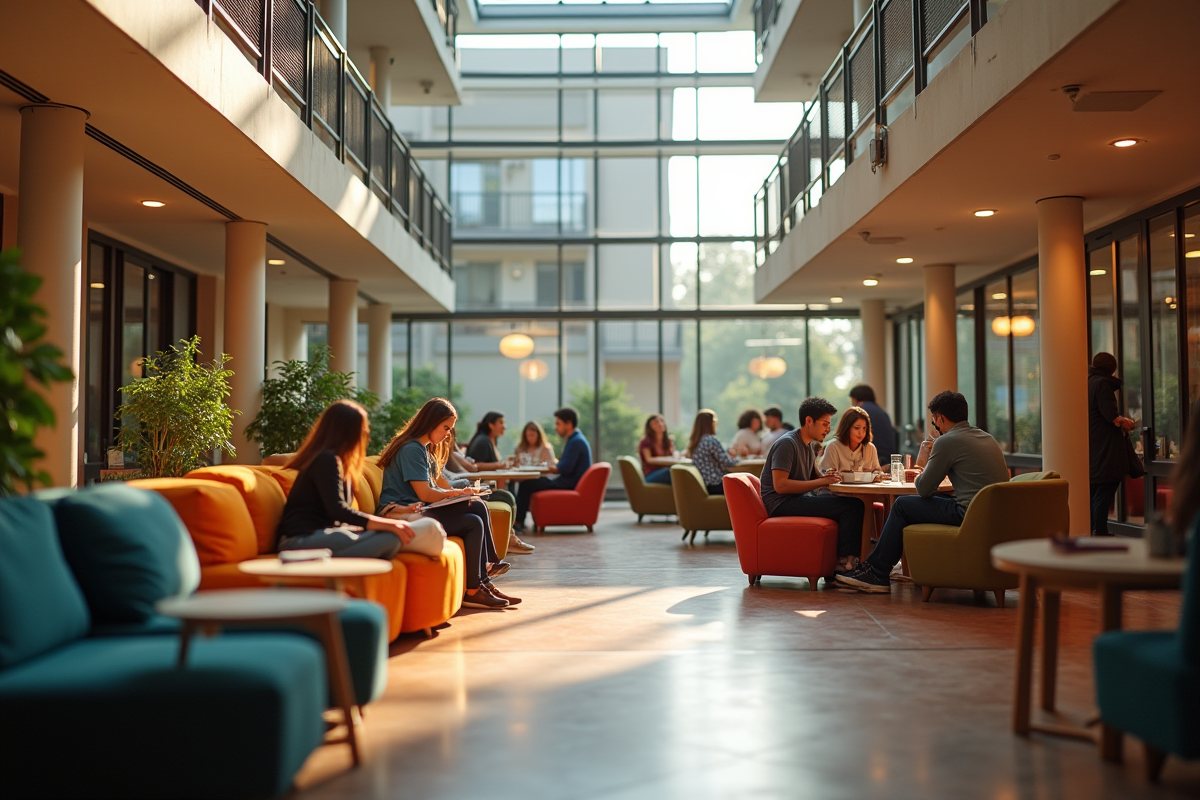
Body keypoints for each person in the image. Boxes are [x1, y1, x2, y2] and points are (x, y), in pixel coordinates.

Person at [837, 391, 1009, 593]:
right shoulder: (987, 438)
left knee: (902, 504)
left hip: (968, 514)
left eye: (935, 420)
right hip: (994, 516)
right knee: (923, 501)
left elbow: (923, 489)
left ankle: (877, 572)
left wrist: (925, 459)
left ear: (940, 418)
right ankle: (890, 567)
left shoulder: (948, 441)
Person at [378, 398, 518, 609]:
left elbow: (432, 490)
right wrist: (458, 493)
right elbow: (425, 493)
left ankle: (481, 583)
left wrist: (460, 493)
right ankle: (481, 580)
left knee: (475, 511)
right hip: (404, 515)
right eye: (445, 428)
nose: (447, 435)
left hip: (419, 510)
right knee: (474, 516)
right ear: (431, 422)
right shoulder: (412, 449)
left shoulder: (423, 449)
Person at [277, 399, 438, 559]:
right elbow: (338, 511)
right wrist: (391, 525)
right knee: (391, 538)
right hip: (298, 542)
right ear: (347, 432)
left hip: (324, 535)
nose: (367, 439)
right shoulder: (325, 460)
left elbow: (335, 519)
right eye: (364, 432)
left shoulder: (338, 464)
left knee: (398, 535)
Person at [760, 397, 866, 575]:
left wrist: (829, 477)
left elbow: (815, 475)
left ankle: (849, 560)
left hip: (795, 500)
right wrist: (823, 481)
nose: (828, 429)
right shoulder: (787, 443)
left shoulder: (807, 446)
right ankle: (844, 564)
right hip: (781, 503)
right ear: (809, 421)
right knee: (853, 507)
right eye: (824, 424)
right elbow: (780, 486)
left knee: (849, 501)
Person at [445, 428, 534, 555]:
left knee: (506, 495)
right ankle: (504, 543)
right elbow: (466, 470)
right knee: (504, 497)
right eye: (446, 428)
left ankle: (508, 539)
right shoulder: (447, 452)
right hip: (463, 489)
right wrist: (473, 483)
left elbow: (465, 470)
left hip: (466, 485)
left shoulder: (451, 451)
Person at [512, 408, 592, 534]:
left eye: (558, 423)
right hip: (568, 481)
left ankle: (518, 522)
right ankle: (519, 521)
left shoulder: (575, 442)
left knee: (527, 484)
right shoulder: (576, 439)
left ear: (569, 424)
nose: (556, 427)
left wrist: (551, 468)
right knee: (530, 483)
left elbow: (564, 468)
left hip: (568, 483)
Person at [1088, 352, 1138, 536]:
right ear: (1112, 370)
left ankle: (1094, 529)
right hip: (1107, 450)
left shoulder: (1087, 382)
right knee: (1104, 490)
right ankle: (1100, 531)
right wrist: (1125, 421)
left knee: (1096, 492)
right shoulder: (1102, 385)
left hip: (1095, 450)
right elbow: (1110, 415)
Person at [685, 409, 737, 495]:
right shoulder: (710, 440)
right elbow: (728, 462)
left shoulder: (695, 442)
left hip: (706, 485)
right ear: (710, 423)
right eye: (715, 422)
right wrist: (737, 458)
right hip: (717, 484)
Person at [819, 406, 881, 474]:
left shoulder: (870, 448)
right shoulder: (833, 447)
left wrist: (875, 473)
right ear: (847, 428)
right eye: (857, 428)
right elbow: (826, 477)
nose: (861, 433)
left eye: (864, 428)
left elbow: (878, 473)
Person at [849, 384, 896, 463]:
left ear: (854, 399)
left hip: (877, 457)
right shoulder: (880, 411)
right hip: (888, 457)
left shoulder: (861, 412)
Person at [638, 414, 675, 485]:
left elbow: (673, 455)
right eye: (655, 423)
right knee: (670, 473)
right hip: (651, 475)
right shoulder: (646, 442)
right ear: (650, 428)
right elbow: (649, 459)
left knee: (679, 472)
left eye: (661, 421)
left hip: (665, 472)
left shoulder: (668, 442)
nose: (659, 424)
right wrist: (666, 459)